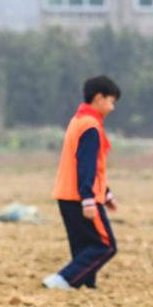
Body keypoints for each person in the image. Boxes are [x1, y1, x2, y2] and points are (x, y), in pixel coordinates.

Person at [43, 75, 121, 291]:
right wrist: (88, 198)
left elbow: (91, 165)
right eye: (111, 101)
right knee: (106, 245)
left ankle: (86, 286)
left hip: (67, 194)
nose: (112, 108)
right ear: (99, 98)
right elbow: (86, 165)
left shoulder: (77, 120)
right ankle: (62, 280)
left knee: (84, 246)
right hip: (81, 196)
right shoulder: (90, 126)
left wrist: (106, 193)